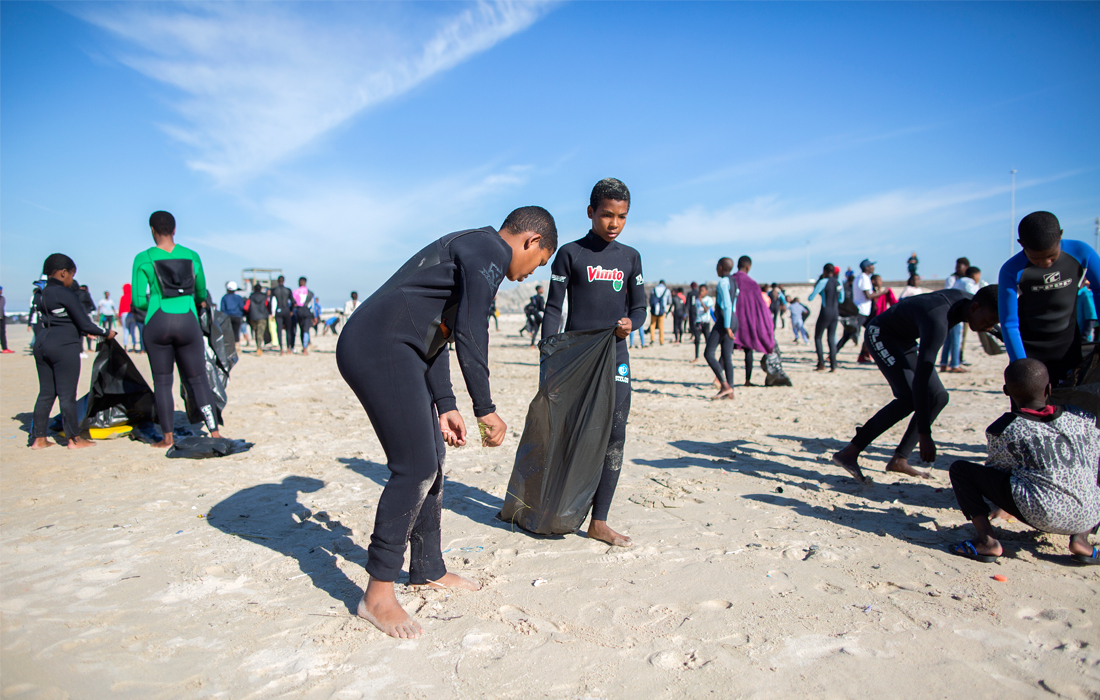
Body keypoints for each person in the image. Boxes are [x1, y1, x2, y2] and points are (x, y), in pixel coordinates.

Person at [336, 205, 556, 639]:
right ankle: (377, 594)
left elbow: (440, 330)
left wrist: (446, 403)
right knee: (414, 466)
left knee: (432, 458)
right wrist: (485, 407)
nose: (534, 273)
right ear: (530, 242)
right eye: (540, 262)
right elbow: (473, 331)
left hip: (401, 347)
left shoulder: (475, 249)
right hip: (377, 345)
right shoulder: (488, 250)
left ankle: (427, 568)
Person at [542, 177, 645, 548]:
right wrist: (549, 354)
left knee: (614, 436)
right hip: (575, 359)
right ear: (591, 213)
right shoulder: (570, 254)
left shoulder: (630, 257)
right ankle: (556, 508)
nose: (613, 223)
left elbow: (640, 307)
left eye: (621, 216)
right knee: (568, 435)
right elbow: (554, 308)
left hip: (615, 357)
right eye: (606, 215)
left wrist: (633, 324)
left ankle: (599, 520)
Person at [832, 285, 999, 482]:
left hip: (905, 340)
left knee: (939, 397)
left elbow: (994, 323)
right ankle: (849, 453)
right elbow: (921, 378)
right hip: (881, 334)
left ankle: (899, 460)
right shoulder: (938, 322)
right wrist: (924, 434)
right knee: (908, 397)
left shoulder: (972, 301)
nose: (988, 328)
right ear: (974, 308)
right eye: (988, 322)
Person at [947, 359, 1100, 565]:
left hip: (1043, 513)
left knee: (960, 470)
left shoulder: (1004, 428)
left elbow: (997, 470)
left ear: (1006, 391)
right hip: (1090, 514)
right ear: (1049, 390)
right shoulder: (1082, 419)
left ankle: (987, 541)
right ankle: (1081, 540)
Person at [131, 210, 225, 447]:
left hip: (157, 321)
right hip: (187, 321)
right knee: (198, 378)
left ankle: (167, 437)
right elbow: (201, 292)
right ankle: (214, 432)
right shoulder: (192, 256)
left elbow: (139, 300)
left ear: (152, 230)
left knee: (162, 381)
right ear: (174, 230)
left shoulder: (143, 258)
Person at [1000, 211, 1100, 386]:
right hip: (1029, 352)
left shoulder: (1081, 252)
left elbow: (1099, 290)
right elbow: (1009, 323)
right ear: (1021, 244)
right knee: (1029, 411)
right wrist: (1021, 365)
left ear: (1060, 236)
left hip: (1069, 349)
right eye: (1035, 259)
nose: (1045, 263)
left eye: (1052, 257)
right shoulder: (1011, 269)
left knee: (1071, 409)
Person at [30, 254, 115, 449]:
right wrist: (107, 332)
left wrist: (86, 331)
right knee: (67, 394)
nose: (72, 281)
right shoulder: (65, 294)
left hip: (42, 344)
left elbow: (61, 319)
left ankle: (39, 439)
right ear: (63, 272)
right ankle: (74, 439)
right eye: (71, 276)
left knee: (46, 393)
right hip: (64, 347)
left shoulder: (40, 293)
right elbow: (84, 322)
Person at [731, 256, 774, 386]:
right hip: (747, 323)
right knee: (748, 351)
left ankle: (721, 379)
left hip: (731, 321)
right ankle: (747, 380)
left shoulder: (730, 280)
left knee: (727, 350)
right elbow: (760, 307)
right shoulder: (752, 284)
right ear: (748, 267)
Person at [704, 258, 737, 399]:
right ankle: (730, 391)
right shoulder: (733, 281)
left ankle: (724, 385)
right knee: (727, 356)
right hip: (734, 319)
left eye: (717, 266)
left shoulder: (723, 282)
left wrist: (727, 325)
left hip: (725, 320)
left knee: (708, 353)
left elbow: (727, 305)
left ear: (721, 267)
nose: (716, 269)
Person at [944, 266, 982, 372]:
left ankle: (943, 363)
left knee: (948, 340)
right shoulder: (969, 283)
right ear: (975, 274)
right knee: (956, 340)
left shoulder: (958, 281)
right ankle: (955, 365)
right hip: (958, 314)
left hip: (949, 312)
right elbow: (975, 296)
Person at [808, 263, 842, 372]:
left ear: (825, 272)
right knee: (831, 339)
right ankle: (833, 366)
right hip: (835, 312)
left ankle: (821, 364)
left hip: (825, 312)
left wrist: (820, 292)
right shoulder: (838, 282)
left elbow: (810, 297)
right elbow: (841, 299)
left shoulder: (823, 282)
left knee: (818, 337)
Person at [853, 259, 886, 364]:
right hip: (861, 311)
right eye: (871, 265)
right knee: (849, 335)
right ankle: (831, 356)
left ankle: (864, 355)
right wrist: (883, 293)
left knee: (872, 332)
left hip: (863, 311)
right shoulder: (864, 277)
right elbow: (868, 296)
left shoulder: (860, 277)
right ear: (867, 267)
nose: (873, 267)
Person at [220, 281, 246, 346]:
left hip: (227, 317)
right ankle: (236, 345)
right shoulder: (239, 297)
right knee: (236, 331)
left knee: (228, 332)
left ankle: (230, 346)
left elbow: (222, 309)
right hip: (237, 316)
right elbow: (241, 307)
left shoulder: (224, 297)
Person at [293, 277, 314, 354]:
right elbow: (313, 305)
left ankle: (303, 345)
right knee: (306, 330)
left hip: (299, 311)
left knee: (301, 329)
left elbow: (292, 303)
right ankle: (305, 347)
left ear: (299, 282)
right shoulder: (310, 293)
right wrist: (314, 316)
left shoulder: (295, 292)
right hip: (307, 311)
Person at [246, 283, 269, 355]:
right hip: (262, 317)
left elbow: (246, 307)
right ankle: (259, 347)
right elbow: (267, 305)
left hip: (253, 317)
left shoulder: (251, 297)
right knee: (260, 332)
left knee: (256, 332)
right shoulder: (264, 297)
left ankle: (258, 347)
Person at [691, 284, 712, 363]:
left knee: (708, 340)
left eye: (702, 291)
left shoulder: (708, 299)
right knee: (697, 340)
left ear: (706, 291)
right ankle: (696, 356)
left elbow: (706, 310)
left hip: (706, 323)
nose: (701, 292)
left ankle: (710, 356)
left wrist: (701, 302)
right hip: (698, 322)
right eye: (700, 290)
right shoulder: (696, 300)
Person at [648, 280, 671, 345]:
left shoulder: (653, 289)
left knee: (652, 325)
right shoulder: (667, 290)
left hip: (653, 310)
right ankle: (661, 341)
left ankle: (652, 339)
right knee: (661, 326)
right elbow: (669, 301)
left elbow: (650, 300)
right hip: (662, 310)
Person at [0, 286, 9, 354]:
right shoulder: (2, 298)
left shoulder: (2, 298)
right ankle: (5, 348)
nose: (1, 291)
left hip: (1, 318)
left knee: (2, 333)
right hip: (1, 318)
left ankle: (5, 348)